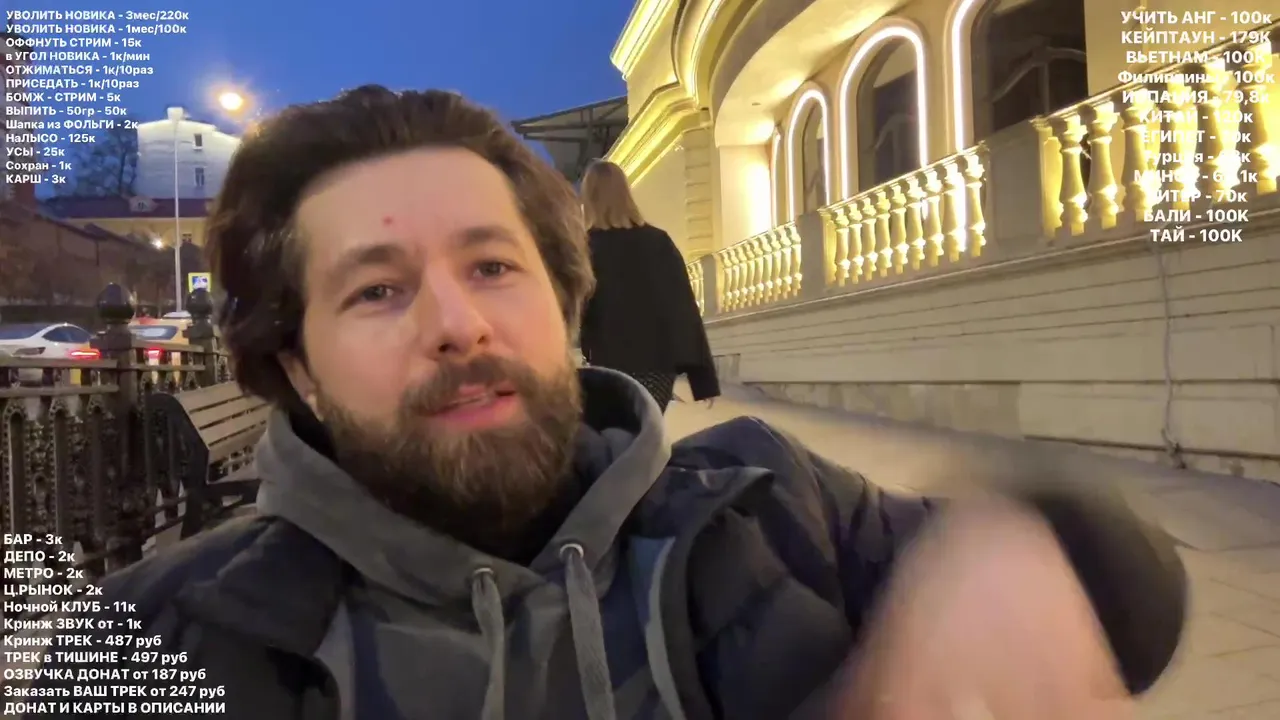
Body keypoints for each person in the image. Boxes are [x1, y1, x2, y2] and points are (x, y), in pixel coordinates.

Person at [26, 86, 1186, 719]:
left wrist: (1018, 547)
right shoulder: (148, 647)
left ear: (562, 305)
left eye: (492, 267)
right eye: (376, 290)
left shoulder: (771, 503)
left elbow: (1132, 597)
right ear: (297, 370)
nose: (456, 324)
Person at [578, 160, 718, 411]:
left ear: (589, 198)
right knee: (647, 429)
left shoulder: (585, 249)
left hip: (608, 366)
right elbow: (683, 308)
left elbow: (575, 310)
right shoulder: (658, 242)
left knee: (616, 430)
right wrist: (703, 380)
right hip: (657, 369)